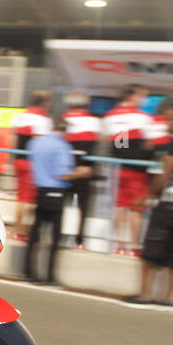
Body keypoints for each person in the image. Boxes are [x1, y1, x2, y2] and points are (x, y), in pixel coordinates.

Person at [123, 101, 173, 308]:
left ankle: (145, 293)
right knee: (170, 251)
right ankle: (168, 298)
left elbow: (168, 171)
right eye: (168, 119)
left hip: (168, 203)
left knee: (151, 248)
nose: (170, 123)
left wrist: (148, 194)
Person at [23, 117, 92, 285]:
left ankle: (28, 272)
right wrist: (81, 173)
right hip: (56, 192)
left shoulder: (36, 143)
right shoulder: (63, 146)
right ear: (65, 132)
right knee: (55, 236)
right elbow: (63, 174)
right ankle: (49, 276)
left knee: (36, 233)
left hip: (41, 190)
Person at [101, 84, 167, 255]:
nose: (143, 100)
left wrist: (124, 148)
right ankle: (135, 246)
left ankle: (119, 245)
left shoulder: (109, 116)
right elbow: (153, 142)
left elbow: (117, 143)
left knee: (120, 205)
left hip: (119, 168)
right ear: (131, 96)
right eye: (141, 96)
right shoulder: (143, 118)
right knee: (136, 209)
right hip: (138, 169)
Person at [59, 91, 101, 249]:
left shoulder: (61, 119)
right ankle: (80, 241)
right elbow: (99, 145)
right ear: (86, 105)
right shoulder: (94, 121)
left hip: (65, 171)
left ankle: (58, 236)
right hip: (85, 169)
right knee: (84, 208)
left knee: (61, 205)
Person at [10, 91, 53, 240]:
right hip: (32, 163)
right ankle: (20, 232)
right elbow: (41, 144)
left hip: (18, 160)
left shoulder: (20, 115)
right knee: (27, 199)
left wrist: (12, 158)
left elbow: (14, 138)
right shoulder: (44, 119)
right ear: (45, 103)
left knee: (20, 196)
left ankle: (16, 230)